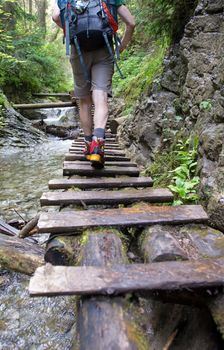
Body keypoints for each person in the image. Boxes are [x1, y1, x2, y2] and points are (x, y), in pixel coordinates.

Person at [52, 0, 135, 168]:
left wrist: (72, 31)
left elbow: (55, 17)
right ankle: (98, 143)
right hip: (104, 48)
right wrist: (121, 48)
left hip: (78, 50)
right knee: (101, 96)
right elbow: (131, 23)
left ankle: (88, 144)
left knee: (84, 101)